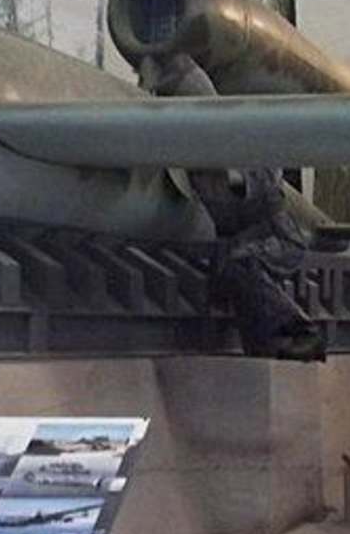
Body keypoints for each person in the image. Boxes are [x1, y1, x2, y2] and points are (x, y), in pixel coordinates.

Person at [138, 52, 326, 362]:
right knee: (232, 271)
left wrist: (230, 163)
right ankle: (266, 347)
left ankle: (301, 332)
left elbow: (256, 191)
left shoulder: (236, 143)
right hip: (241, 239)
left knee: (240, 264)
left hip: (278, 238)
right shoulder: (201, 152)